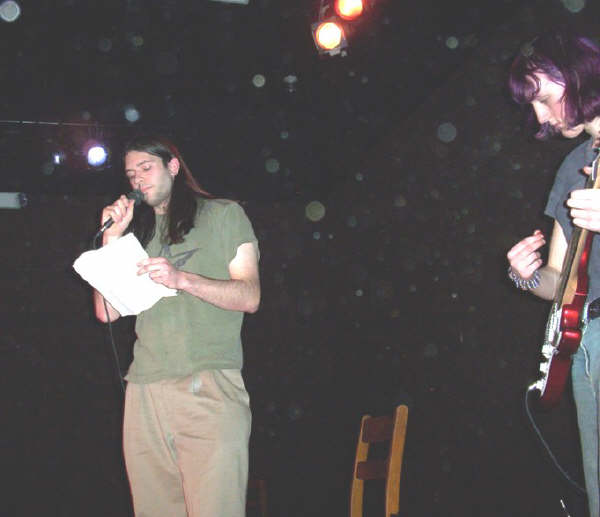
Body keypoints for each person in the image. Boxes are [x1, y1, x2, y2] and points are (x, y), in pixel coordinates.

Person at [93, 135, 260, 517]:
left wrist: (182, 279)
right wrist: (111, 240)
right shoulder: (137, 235)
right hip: (144, 390)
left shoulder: (224, 214)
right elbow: (106, 312)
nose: (137, 180)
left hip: (208, 382)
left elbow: (250, 296)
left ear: (173, 166)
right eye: (130, 175)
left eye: (146, 168)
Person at [506, 31, 600, 517]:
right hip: (588, 344)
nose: (541, 117)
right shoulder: (574, 166)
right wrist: (526, 276)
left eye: (543, 98)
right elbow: (560, 279)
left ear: (576, 73)